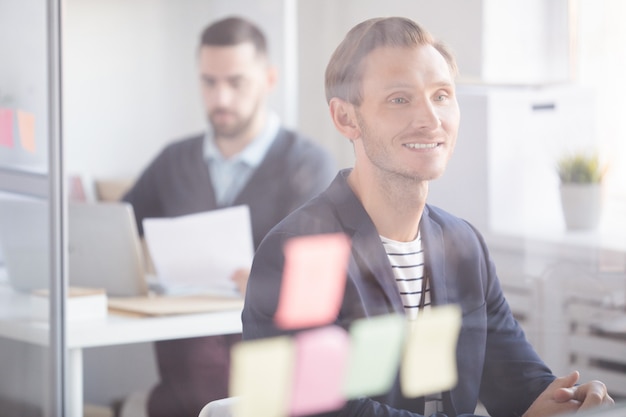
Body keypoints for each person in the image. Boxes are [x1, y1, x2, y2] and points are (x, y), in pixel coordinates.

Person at [241, 16, 614, 417]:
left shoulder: (464, 245)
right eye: (400, 99)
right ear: (346, 118)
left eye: (440, 95)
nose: (431, 119)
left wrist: (571, 402)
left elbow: (520, 387)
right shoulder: (299, 253)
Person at [122, 16, 335, 417]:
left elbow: (318, 280)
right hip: (184, 356)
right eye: (209, 82)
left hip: (265, 363)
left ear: (269, 79)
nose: (220, 98)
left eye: (236, 82)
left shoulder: (307, 166)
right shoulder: (175, 161)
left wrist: (264, 278)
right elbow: (119, 228)